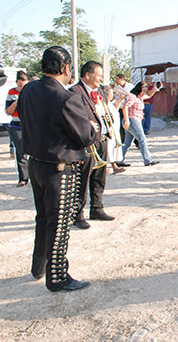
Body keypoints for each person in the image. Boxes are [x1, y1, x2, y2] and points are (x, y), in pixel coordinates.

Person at [17, 46, 97, 291]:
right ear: (65, 68)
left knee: (43, 218)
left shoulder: (29, 89)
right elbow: (86, 136)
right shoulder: (66, 97)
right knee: (59, 224)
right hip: (59, 168)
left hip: (36, 163)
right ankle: (58, 277)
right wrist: (93, 126)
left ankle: (38, 267)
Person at [69, 61, 117, 230]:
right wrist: (85, 121)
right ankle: (78, 214)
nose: (101, 79)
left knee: (99, 176)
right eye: (99, 75)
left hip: (102, 138)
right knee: (82, 178)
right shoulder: (75, 91)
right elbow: (71, 116)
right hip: (86, 141)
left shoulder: (100, 91)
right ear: (88, 75)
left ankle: (97, 208)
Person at [121, 82, 160, 167]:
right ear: (140, 88)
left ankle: (119, 159)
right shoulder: (133, 97)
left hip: (134, 120)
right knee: (142, 140)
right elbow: (125, 107)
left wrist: (154, 87)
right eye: (145, 87)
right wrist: (127, 121)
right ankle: (148, 160)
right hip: (132, 120)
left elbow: (149, 95)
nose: (146, 88)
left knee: (127, 142)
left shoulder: (140, 97)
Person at [5, 70, 29, 186]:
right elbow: (8, 111)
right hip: (16, 126)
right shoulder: (12, 92)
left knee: (34, 152)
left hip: (29, 125)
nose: (21, 88)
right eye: (19, 86)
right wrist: (16, 102)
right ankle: (23, 178)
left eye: (23, 86)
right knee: (20, 153)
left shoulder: (30, 92)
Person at [100, 85, 126, 174]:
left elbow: (115, 110)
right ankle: (114, 166)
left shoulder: (109, 103)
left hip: (114, 129)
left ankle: (110, 166)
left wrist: (120, 100)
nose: (113, 95)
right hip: (109, 131)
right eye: (111, 93)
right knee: (109, 148)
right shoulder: (103, 104)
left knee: (112, 148)